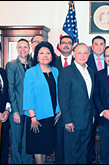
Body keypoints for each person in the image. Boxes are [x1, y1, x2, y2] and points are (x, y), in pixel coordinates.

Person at [23, 41, 61, 164]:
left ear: (52, 55)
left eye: (48, 53)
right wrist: (33, 117)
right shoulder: (31, 72)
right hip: (37, 117)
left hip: (51, 115)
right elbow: (28, 97)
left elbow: (58, 92)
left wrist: (59, 111)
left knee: (46, 145)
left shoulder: (55, 71)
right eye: (42, 53)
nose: (45, 55)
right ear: (37, 56)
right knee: (38, 146)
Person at [58, 43, 95, 164]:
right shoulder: (66, 71)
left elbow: (91, 97)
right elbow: (63, 98)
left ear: (89, 55)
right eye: (79, 53)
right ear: (74, 54)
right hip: (72, 121)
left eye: (85, 53)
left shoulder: (90, 71)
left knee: (83, 151)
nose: (82, 55)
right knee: (71, 152)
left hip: (87, 120)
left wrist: (93, 114)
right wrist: (67, 120)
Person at [6, 38, 33, 164]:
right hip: (17, 109)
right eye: (20, 47)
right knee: (16, 141)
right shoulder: (11, 65)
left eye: (25, 47)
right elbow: (10, 90)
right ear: (17, 49)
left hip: (30, 110)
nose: (23, 49)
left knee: (28, 140)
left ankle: (27, 162)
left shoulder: (32, 64)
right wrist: (15, 111)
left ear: (29, 49)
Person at [53, 35, 75, 164]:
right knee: (59, 141)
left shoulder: (79, 61)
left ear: (73, 46)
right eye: (63, 43)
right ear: (59, 45)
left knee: (73, 141)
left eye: (69, 43)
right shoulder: (52, 62)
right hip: (56, 109)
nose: (66, 45)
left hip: (73, 108)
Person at [86, 35, 107, 163]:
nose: (99, 46)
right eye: (96, 44)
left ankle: (106, 158)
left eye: (101, 44)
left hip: (107, 106)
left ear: (104, 46)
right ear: (92, 47)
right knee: (90, 135)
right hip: (91, 106)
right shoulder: (85, 60)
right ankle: (90, 159)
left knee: (106, 136)